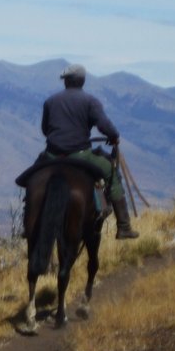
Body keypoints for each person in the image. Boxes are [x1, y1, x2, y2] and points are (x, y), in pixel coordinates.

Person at [39, 63, 139, 239]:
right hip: (80, 155)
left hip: (52, 155)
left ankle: (29, 219)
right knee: (111, 173)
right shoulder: (90, 101)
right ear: (82, 81)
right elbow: (104, 126)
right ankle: (123, 226)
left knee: (34, 176)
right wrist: (114, 136)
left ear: (66, 82)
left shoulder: (50, 101)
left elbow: (45, 130)